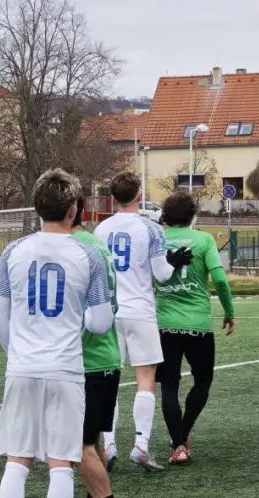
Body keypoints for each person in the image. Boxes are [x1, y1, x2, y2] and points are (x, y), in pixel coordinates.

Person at [0, 168, 114, 498]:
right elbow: (99, 322)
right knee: (61, 462)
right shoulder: (89, 254)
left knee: (17, 459)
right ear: (75, 209)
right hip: (65, 371)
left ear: (37, 206)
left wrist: (19, 353)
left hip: (22, 369)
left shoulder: (14, 250)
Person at [93, 172, 192, 471]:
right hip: (140, 311)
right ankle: (140, 446)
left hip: (110, 311)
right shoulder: (150, 229)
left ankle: (108, 445)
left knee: (108, 380)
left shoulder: (100, 229)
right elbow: (161, 273)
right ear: (139, 194)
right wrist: (173, 261)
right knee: (145, 379)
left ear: (113, 197)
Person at [65, 195, 134, 498]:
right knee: (91, 442)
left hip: (89, 360)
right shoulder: (95, 244)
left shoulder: (75, 248)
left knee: (81, 448)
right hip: (103, 356)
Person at [155, 191, 236, 465]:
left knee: (169, 385)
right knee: (202, 381)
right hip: (198, 325)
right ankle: (183, 433)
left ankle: (178, 442)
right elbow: (221, 281)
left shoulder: (157, 240)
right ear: (192, 214)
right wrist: (229, 310)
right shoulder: (203, 239)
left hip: (165, 324)